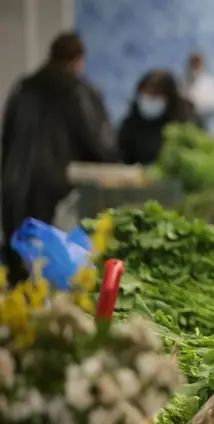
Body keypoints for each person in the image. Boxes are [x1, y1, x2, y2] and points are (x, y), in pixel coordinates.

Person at [1, 31, 117, 284]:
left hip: (14, 184)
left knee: (22, 263)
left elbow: (7, 136)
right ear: (77, 60)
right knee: (53, 266)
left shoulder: (23, 87)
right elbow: (96, 142)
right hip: (54, 187)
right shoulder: (77, 91)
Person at [118, 70, 199, 165]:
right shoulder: (130, 124)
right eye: (146, 93)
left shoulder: (185, 124)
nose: (150, 98)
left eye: (156, 94)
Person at [185, 52, 214, 128]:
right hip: (187, 121)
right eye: (193, 63)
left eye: (197, 63)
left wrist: (198, 107)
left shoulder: (209, 82)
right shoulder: (184, 81)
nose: (195, 66)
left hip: (205, 120)